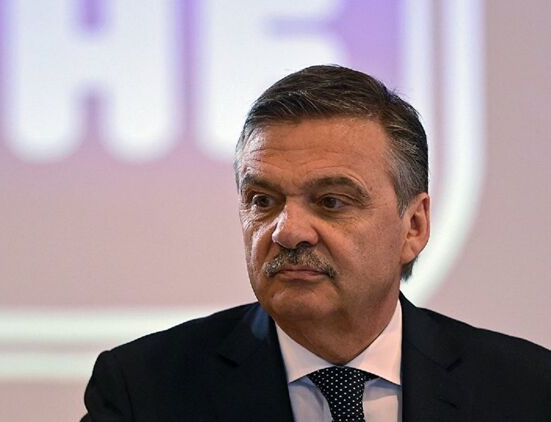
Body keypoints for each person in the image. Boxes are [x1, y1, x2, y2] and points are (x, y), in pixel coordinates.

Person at [81, 65, 551, 421]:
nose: (287, 231)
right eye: (263, 200)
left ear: (413, 226)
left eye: (331, 202)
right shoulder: (144, 392)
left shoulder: (527, 392)